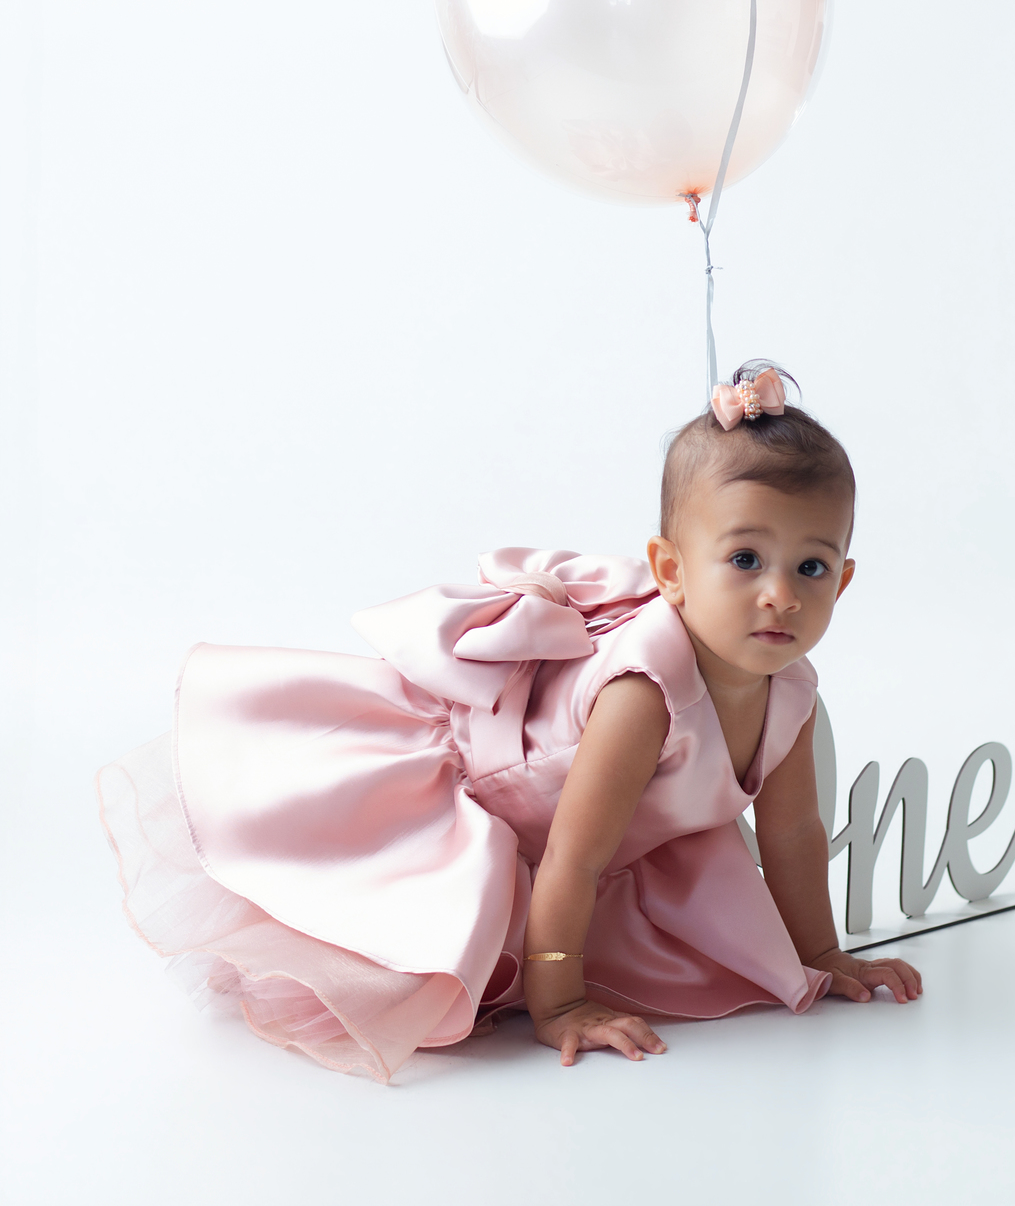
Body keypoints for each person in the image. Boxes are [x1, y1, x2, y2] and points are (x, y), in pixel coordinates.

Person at [98, 362, 920, 1081]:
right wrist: (560, 1003)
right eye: (744, 560)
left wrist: (822, 956)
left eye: (810, 567)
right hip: (501, 817)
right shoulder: (645, 692)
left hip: (597, 860)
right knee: (394, 945)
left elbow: (794, 835)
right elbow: (573, 854)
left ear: (843, 581)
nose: (780, 595)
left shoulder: (789, 687)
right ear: (670, 570)